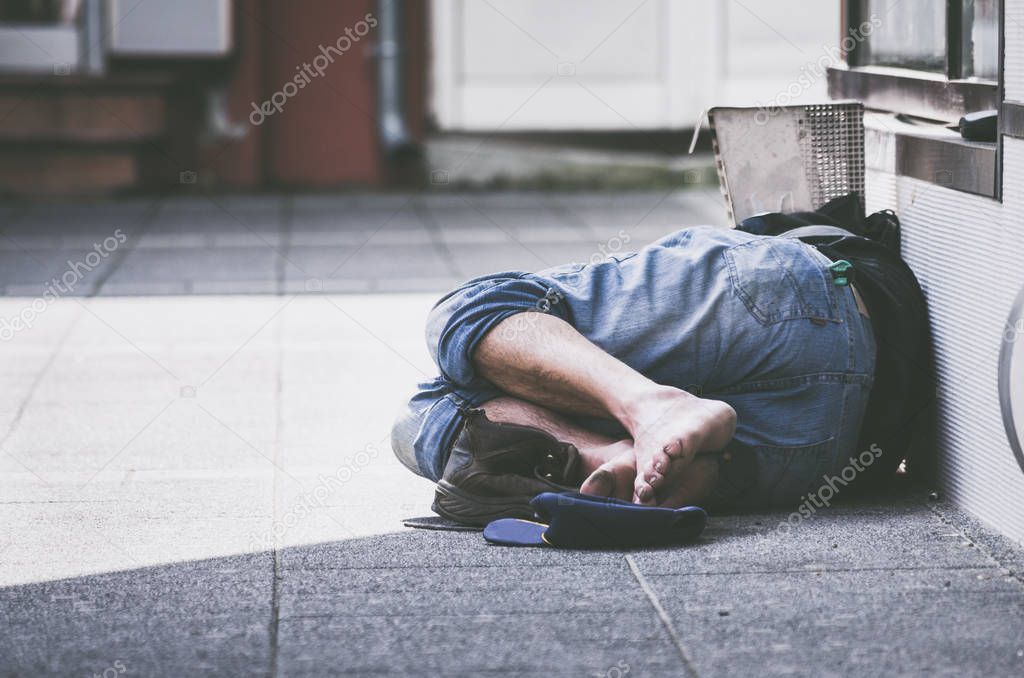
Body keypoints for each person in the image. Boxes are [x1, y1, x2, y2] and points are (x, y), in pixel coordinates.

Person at [391, 224, 877, 525]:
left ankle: (628, 433)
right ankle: (635, 448)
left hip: (821, 446)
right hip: (839, 367)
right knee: (424, 408)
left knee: (435, 391)